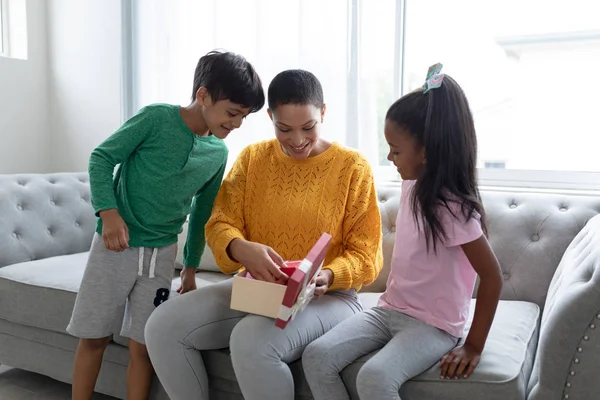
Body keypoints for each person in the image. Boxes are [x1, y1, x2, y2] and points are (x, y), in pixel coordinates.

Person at [144, 69, 383, 400]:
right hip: (258, 290)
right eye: (284, 129)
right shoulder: (253, 159)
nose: (297, 140)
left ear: (323, 113)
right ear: (270, 117)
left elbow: (366, 256)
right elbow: (219, 222)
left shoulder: (352, 168)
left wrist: (328, 274)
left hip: (329, 298)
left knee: (251, 341)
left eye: (308, 127)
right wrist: (240, 248)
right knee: (162, 325)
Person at [66, 50, 264, 400]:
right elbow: (102, 157)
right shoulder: (155, 118)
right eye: (232, 113)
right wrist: (107, 213)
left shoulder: (217, 153)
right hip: (117, 247)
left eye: (243, 117)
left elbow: (203, 210)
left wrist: (189, 267)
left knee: (144, 345)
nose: (236, 124)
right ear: (203, 96)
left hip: (162, 256)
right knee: (94, 336)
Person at [302, 64, 504, 400]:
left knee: (375, 378)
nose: (389, 157)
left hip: (434, 327)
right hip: (388, 310)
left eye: (395, 151)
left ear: (425, 152)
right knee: (316, 356)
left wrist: (473, 346)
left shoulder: (453, 207)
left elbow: (492, 277)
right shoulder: (411, 187)